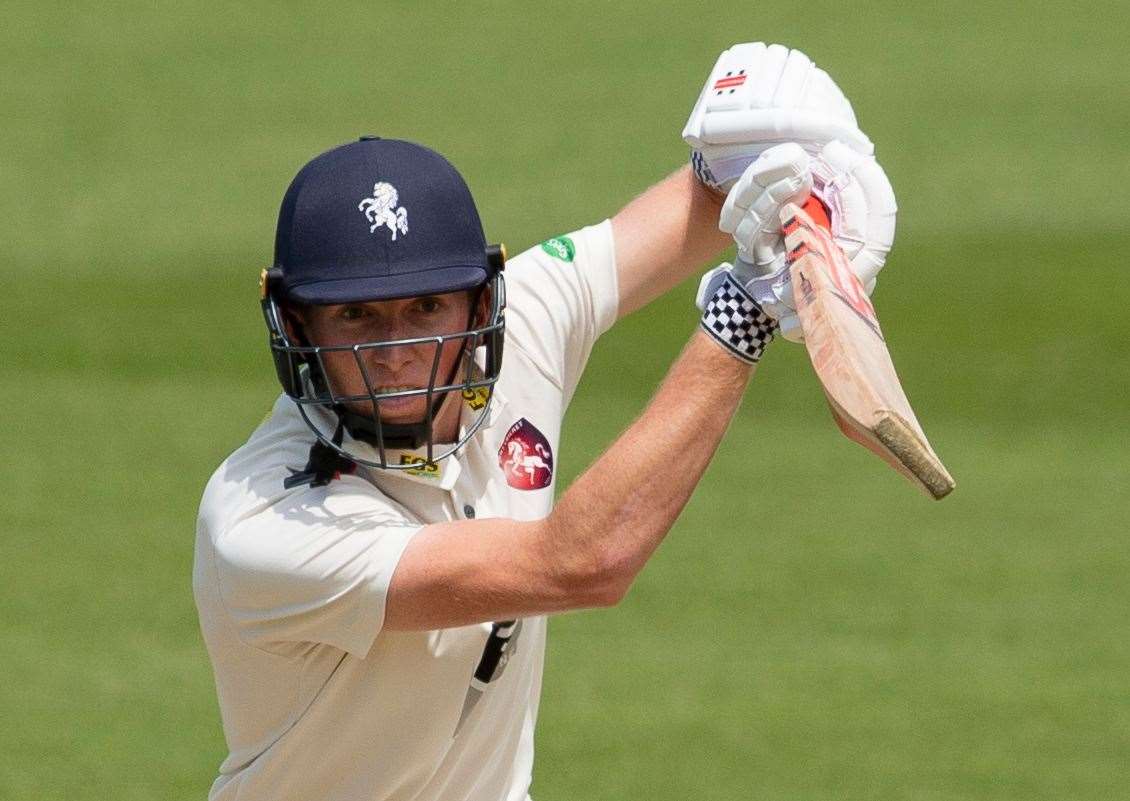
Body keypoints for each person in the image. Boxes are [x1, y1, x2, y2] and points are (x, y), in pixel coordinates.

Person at [193, 46, 895, 801]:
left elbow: (707, 200)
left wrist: (799, 167)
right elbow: (582, 562)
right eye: (356, 314)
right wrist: (742, 314)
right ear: (296, 323)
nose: (396, 348)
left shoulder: (524, 317)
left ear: (479, 305)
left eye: (425, 307)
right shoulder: (263, 522)